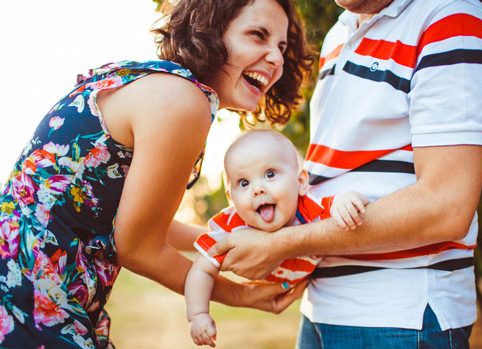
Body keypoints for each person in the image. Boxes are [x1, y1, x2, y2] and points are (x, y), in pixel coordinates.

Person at [0, 0, 313, 347]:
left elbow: (142, 223)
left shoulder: (157, 82)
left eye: (282, 47)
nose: (276, 58)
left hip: (27, 288)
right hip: (25, 297)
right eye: (258, 35)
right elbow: (136, 247)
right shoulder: (182, 100)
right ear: (210, 29)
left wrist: (226, 241)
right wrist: (242, 295)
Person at [206, 0, 482, 348]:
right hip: (321, 309)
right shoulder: (339, 33)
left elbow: (446, 207)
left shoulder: (451, 19)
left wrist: (277, 244)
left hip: (397, 316)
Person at [185, 130, 368, 347]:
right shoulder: (231, 228)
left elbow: (356, 200)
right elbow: (201, 269)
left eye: (270, 174)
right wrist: (198, 315)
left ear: (300, 182)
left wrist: (348, 201)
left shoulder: (311, 209)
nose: (258, 189)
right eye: (243, 183)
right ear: (230, 198)